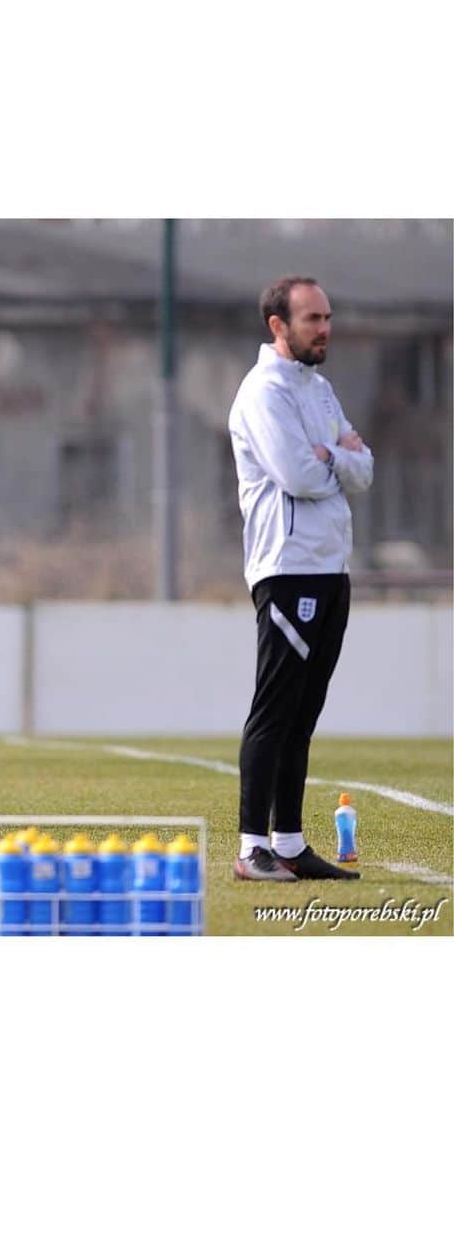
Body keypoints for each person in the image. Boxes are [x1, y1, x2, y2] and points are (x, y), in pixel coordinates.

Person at [228, 276, 373, 881]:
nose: (325, 329)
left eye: (328, 317)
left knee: (304, 713)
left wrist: (334, 456)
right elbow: (296, 475)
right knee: (274, 709)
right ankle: (250, 847)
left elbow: (362, 471)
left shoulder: (320, 390)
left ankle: (288, 841)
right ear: (278, 326)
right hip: (287, 571)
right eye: (312, 318)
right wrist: (336, 457)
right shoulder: (264, 392)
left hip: (330, 567)